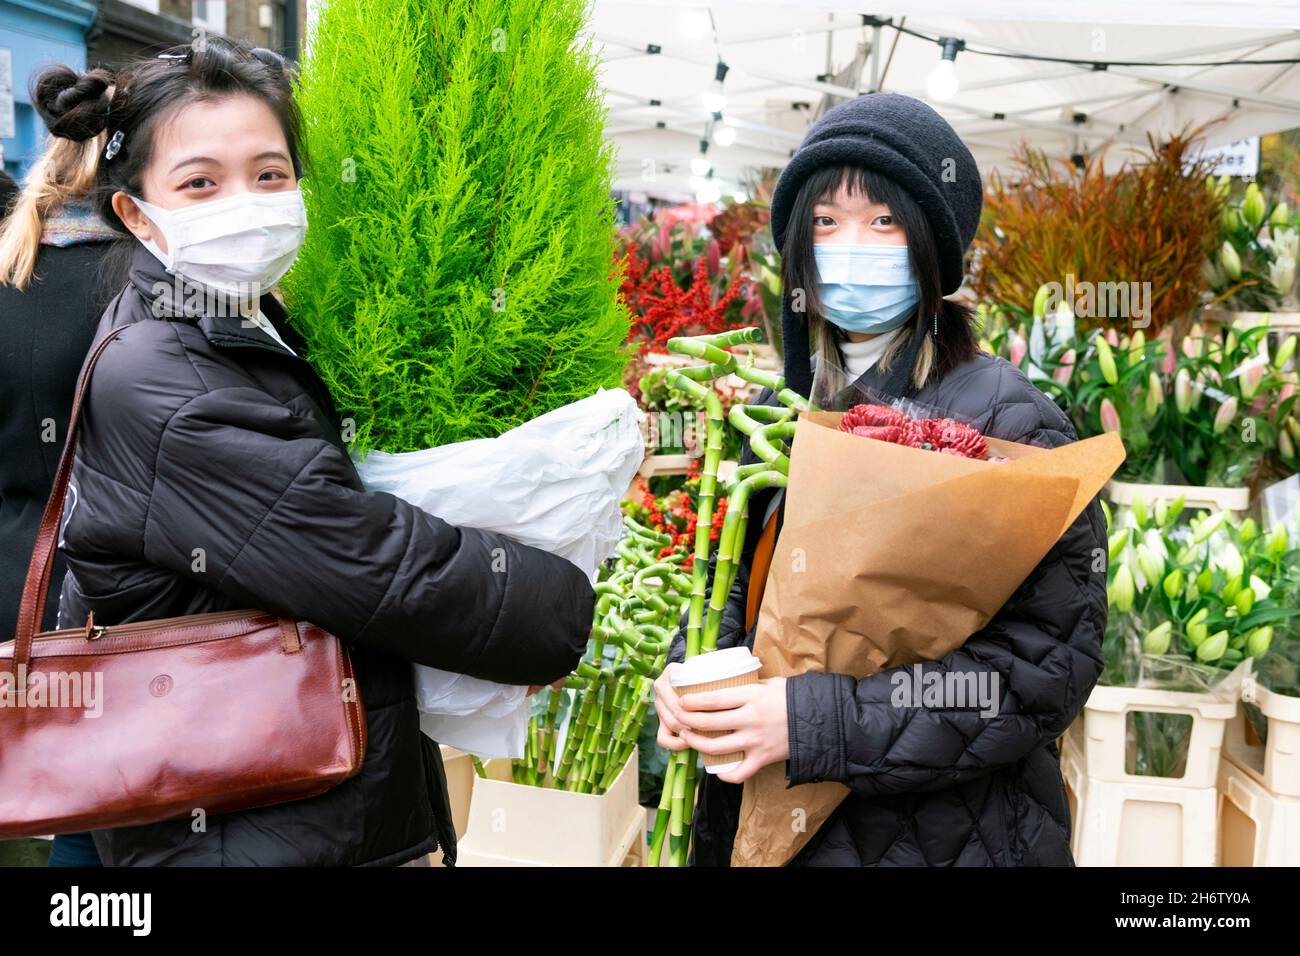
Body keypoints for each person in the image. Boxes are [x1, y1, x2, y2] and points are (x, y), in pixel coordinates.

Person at [38, 38, 594, 867]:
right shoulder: (169, 381)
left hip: (289, 812)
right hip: (251, 826)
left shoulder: (232, 324)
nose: (248, 201)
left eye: (270, 174)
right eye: (201, 182)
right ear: (137, 213)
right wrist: (555, 608)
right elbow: (365, 559)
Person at [653, 92, 1108, 866]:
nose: (847, 244)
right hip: (763, 823)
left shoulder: (1010, 420)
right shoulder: (780, 408)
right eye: (825, 222)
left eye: (882, 221)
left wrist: (812, 722)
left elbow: (1042, 671)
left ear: (931, 243)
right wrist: (687, 677)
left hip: (943, 839)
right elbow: (734, 594)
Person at [0, 69, 124, 869]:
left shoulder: (12, 271)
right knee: (97, 820)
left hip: (12, 602)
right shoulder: (150, 287)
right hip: (119, 618)